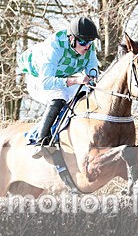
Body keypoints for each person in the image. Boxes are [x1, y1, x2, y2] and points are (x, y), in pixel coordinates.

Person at [18, 16, 100, 156]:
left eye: (90, 42)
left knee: (86, 94)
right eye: (83, 42)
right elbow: (46, 82)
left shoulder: (88, 47)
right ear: (71, 38)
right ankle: (40, 139)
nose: (87, 46)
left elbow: (92, 69)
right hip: (39, 80)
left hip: (63, 77)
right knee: (59, 96)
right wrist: (75, 80)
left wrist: (92, 80)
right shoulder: (53, 47)